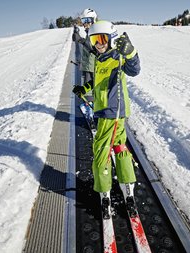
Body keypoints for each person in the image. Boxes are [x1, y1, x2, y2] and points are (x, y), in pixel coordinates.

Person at [72, 20, 140, 216]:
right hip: (115, 114)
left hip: (110, 114)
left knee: (101, 151)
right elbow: (98, 83)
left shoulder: (118, 57)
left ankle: (104, 194)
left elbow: (134, 70)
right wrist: (84, 88)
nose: (99, 44)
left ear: (111, 39)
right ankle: (128, 188)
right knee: (119, 147)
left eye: (102, 39)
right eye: (95, 40)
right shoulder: (100, 60)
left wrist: (131, 52)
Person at [72, 8, 97, 84]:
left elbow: (95, 48)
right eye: (83, 21)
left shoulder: (96, 32)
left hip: (94, 70)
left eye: (87, 20)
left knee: (90, 94)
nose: (85, 23)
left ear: (93, 19)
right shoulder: (89, 33)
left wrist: (80, 40)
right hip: (88, 69)